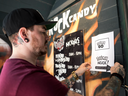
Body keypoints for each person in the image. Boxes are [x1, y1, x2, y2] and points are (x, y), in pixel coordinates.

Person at [0, 8, 125, 96]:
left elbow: (55, 90)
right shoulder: (31, 78)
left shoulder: (12, 69)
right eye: (43, 31)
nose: (48, 37)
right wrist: (117, 76)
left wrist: (77, 73)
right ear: (24, 34)